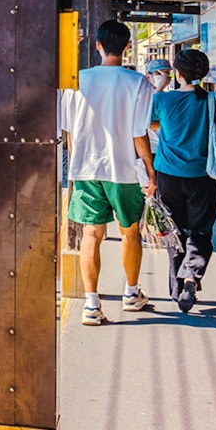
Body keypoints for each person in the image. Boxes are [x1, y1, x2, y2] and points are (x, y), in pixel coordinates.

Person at [61, 19, 156, 326]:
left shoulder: (77, 81)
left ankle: (91, 304)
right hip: (125, 171)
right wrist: (150, 172)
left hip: (87, 170)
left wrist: (79, 161)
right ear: (127, 46)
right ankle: (130, 294)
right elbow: (138, 133)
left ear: (98, 45)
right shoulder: (138, 83)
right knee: (130, 232)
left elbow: (69, 131)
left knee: (91, 234)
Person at [150, 49, 216, 313]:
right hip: (204, 177)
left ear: (177, 73)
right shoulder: (214, 100)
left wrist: (160, 87)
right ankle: (190, 277)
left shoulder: (163, 101)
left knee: (173, 232)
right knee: (200, 230)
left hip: (167, 177)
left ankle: (178, 289)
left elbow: (147, 123)